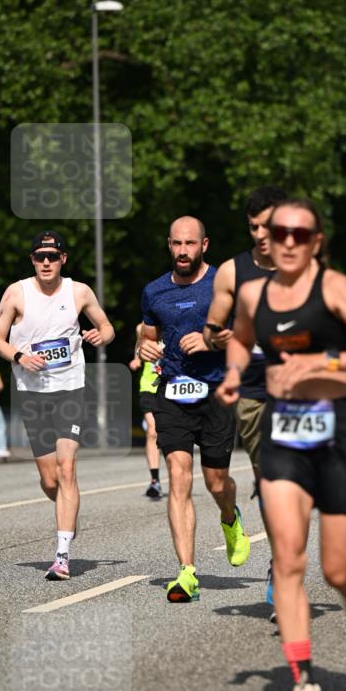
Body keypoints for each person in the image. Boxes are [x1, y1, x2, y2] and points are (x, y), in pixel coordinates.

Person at [217, 198, 346, 691]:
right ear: (267, 237)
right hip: (284, 433)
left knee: (335, 568)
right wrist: (232, 376)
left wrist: (326, 359)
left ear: (316, 241)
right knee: (288, 560)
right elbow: (240, 341)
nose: (289, 240)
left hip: (338, 428)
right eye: (279, 231)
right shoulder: (251, 293)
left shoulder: (333, 287)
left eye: (301, 233)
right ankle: (303, 683)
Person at [0, 231, 115, 579]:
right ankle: (67, 505)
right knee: (50, 481)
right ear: (32, 259)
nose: (46, 262)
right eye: (39, 256)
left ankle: (62, 555)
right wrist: (19, 356)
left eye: (53, 256)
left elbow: (107, 327)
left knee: (67, 469)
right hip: (32, 394)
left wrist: (100, 335)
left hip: (70, 389)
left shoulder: (78, 292)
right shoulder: (17, 293)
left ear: (63, 259)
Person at [139, 216, 250, 603]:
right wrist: (145, 348)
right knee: (178, 474)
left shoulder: (224, 284)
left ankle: (230, 516)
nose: (182, 251)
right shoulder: (154, 292)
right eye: (176, 244)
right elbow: (149, 337)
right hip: (172, 392)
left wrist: (212, 342)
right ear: (168, 245)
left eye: (190, 244)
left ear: (204, 245)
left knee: (217, 481)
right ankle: (186, 571)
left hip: (216, 392)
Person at [204, 185, 285, 611]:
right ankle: (281, 568)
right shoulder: (232, 273)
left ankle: (286, 564)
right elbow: (209, 331)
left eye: (268, 225)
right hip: (254, 391)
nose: (261, 234)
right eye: (254, 227)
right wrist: (221, 337)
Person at [128, 323, 163, 499]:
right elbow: (139, 348)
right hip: (149, 386)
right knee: (152, 430)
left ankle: (179, 477)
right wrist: (137, 359)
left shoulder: (177, 321)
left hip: (171, 386)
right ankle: (155, 481)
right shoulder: (141, 327)